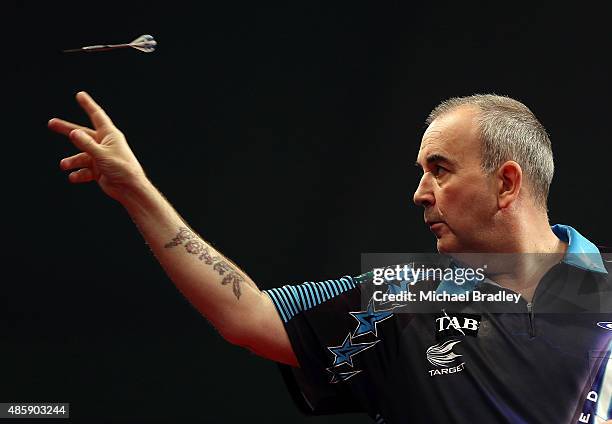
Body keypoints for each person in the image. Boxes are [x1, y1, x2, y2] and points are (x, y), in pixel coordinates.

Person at [49, 93, 612, 423]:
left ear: (507, 184)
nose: (419, 192)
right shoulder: (404, 297)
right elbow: (246, 315)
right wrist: (137, 191)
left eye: (438, 170)